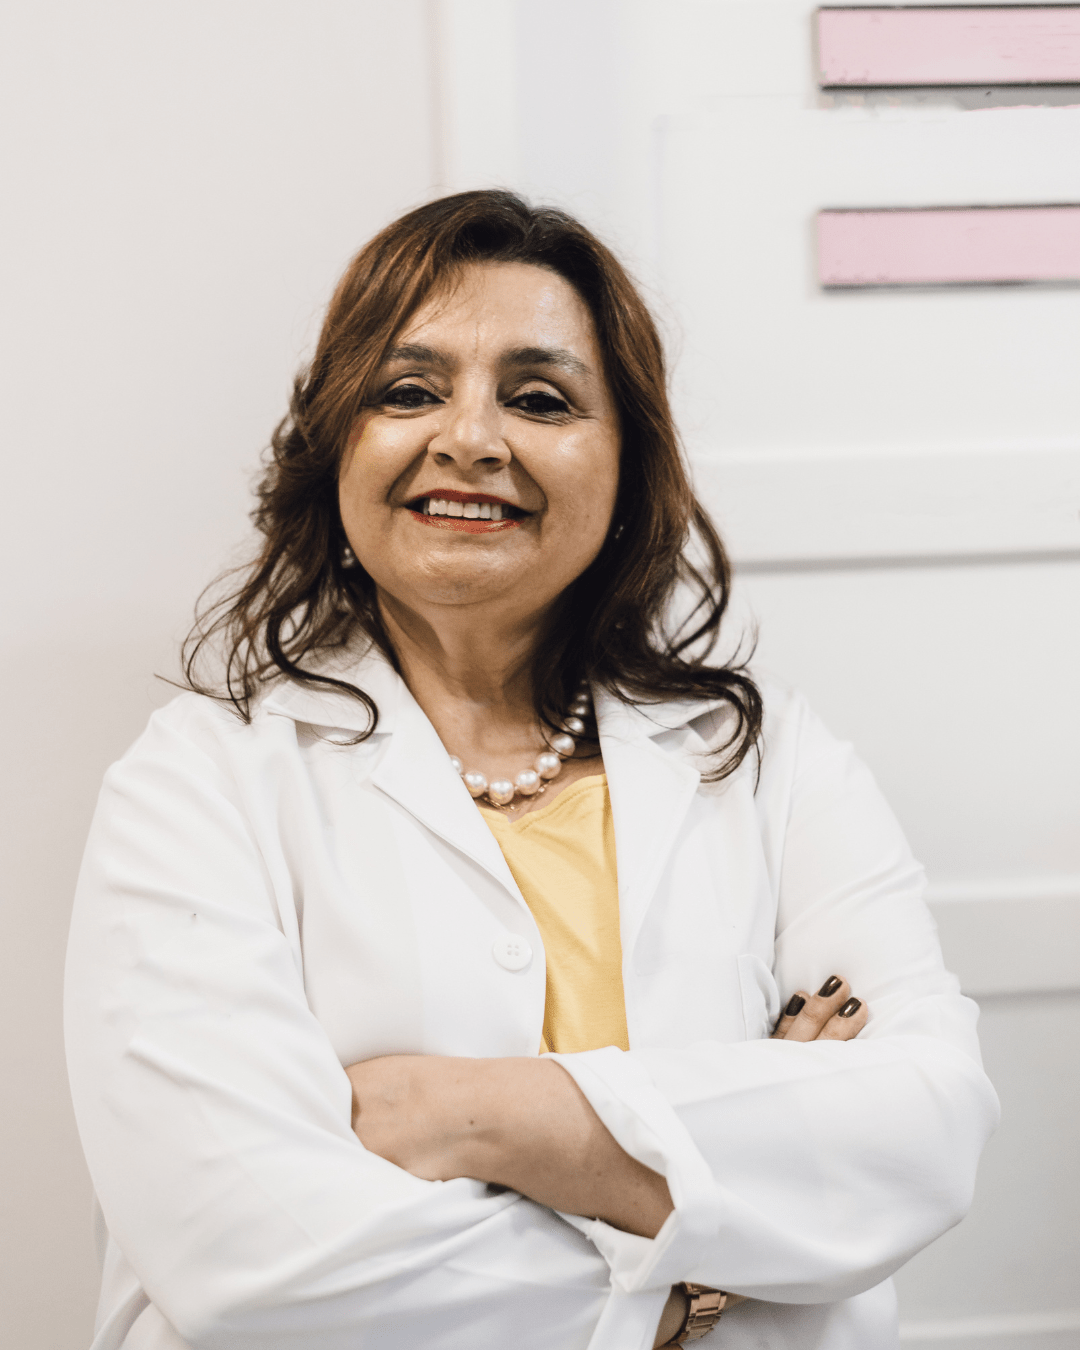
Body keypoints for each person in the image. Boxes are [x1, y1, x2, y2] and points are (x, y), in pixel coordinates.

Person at [64, 190, 998, 1350]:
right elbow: (250, 1259)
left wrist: (460, 1117)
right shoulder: (200, 782)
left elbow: (922, 1136)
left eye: (540, 398)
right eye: (408, 392)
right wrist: (705, 1278)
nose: (469, 439)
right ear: (336, 445)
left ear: (628, 464)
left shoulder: (768, 763)